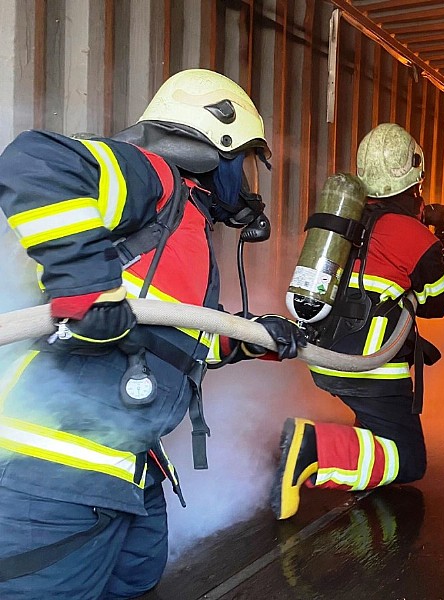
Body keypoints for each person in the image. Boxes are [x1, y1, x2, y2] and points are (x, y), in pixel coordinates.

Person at [0, 69, 307, 599]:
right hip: (51, 476)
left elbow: (166, 333)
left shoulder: (181, 230)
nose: (247, 187)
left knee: (139, 583)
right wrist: (86, 286)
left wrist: (248, 338)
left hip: (130, 470)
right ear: (220, 148)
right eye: (244, 164)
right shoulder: (155, 181)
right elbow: (35, 161)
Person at [270, 122, 444, 520]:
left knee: (376, 430)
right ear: (415, 181)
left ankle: (325, 449)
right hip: (371, 368)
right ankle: (311, 449)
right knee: (408, 460)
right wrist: (440, 243)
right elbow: (436, 303)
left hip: (323, 355)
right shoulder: (414, 235)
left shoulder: (342, 223)